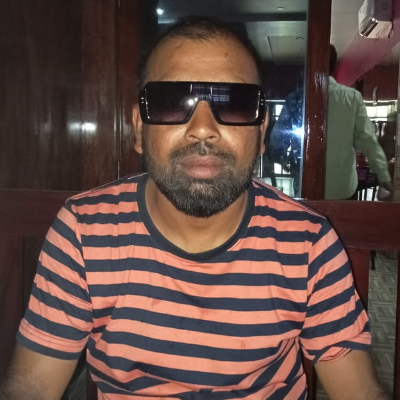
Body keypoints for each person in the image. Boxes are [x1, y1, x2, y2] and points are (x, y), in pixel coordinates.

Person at [0, 17, 388, 400]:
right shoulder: (84, 231)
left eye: (234, 104)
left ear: (261, 131)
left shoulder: (308, 242)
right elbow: (31, 387)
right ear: (139, 129)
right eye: (172, 103)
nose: (203, 128)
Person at [270, 45, 393, 200]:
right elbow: (368, 140)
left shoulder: (296, 99)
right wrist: (384, 177)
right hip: (343, 188)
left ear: (308, 66)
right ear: (334, 67)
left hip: (306, 188)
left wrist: (283, 160)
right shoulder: (352, 98)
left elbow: (278, 139)